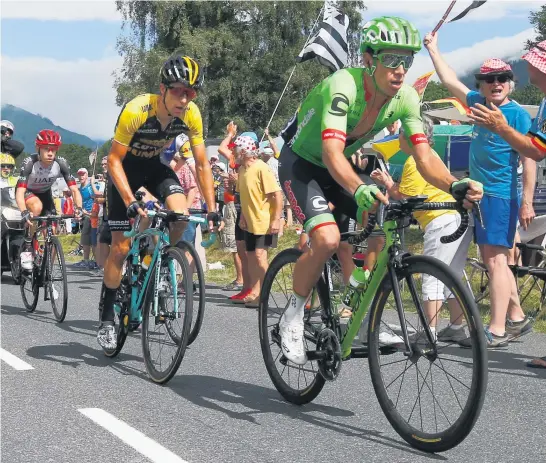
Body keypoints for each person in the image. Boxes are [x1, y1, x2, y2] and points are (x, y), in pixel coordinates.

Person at [277, 16, 483, 365]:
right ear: (369, 60)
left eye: (406, 60)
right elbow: (330, 153)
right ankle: (293, 316)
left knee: (383, 233)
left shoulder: (405, 98)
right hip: (303, 164)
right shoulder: (343, 85)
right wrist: (359, 188)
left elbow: (424, 153)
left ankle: (353, 312)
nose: (400, 69)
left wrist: (454, 183)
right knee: (326, 240)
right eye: (391, 59)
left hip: (339, 166)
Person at [98, 54, 219, 350]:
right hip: (124, 171)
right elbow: (114, 160)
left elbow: (202, 164)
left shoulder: (191, 114)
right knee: (120, 248)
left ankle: (158, 261)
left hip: (154, 168)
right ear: (163, 88)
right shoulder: (137, 110)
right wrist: (129, 200)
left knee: (180, 214)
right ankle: (106, 317)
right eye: (178, 90)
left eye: (191, 92)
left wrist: (213, 208)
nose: (185, 98)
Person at [425, 32, 534, 346]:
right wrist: (433, 49)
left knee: (497, 261)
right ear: (481, 85)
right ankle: (515, 317)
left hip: (498, 195)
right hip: (482, 196)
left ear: (511, 83)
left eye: (503, 78)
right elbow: (450, 82)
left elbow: (529, 156)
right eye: (489, 79)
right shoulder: (477, 103)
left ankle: (497, 329)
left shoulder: (514, 114)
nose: (496, 83)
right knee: (493, 260)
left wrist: (526, 200)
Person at [371, 116, 473, 343]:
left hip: (439, 219)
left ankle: (430, 332)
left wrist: (387, 184)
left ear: (410, 136)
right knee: (452, 274)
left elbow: (407, 196)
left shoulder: (415, 160)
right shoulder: (430, 156)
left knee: (432, 275)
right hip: (457, 217)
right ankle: (456, 326)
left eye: (401, 134)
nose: (398, 138)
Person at [466, 41, 546, 162]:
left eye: (533, 61)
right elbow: (532, 147)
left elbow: (536, 153)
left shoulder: (519, 114)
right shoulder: (544, 103)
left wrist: (501, 127)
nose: (528, 65)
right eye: (489, 79)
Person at [16, 130, 83, 271]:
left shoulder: (61, 163)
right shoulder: (30, 163)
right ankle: (28, 247)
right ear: (37, 148)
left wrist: (79, 209)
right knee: (36, 207)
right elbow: (20, 191)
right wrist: (23, 211)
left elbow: (75, 190)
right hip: (28, 192)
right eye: (46, 149)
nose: (50, 153)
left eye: (54, 149)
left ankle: (48, 273)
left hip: (45, 194)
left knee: (53, 232)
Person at [235, 135, 283, 308]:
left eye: (237, 149)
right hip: (249, 223)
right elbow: (243, 195)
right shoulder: (242, 170)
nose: (234, 152)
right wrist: (242, 216)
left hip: (264, 221)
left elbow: (277, 195)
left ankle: (264, 295)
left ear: (245, 152)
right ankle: (256, 292)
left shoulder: (262, 168)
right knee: (250, 256)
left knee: (259, 256)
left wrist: (277, 219)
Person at [74, 167, 96, 269]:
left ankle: (96, 262)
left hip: (91, 216)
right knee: (85, 239)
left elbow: (96, 199)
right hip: (85, 216)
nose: (81, 176)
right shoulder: (79, 189)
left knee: (93, 239)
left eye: (83, 174)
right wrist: (79, 212)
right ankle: (86, 260)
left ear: (87, 175)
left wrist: (91, 212)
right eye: (79, 174)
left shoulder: (90, 187)